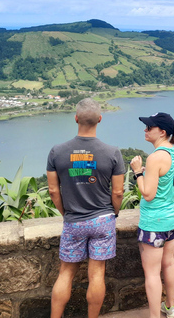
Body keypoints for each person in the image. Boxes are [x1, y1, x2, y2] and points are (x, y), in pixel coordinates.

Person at [47, 98, 125, 318]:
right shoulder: (112, 153)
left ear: (76, 119)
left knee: (65, 274)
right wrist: (114, 213)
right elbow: (118, 192)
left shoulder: (57, 152)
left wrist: (67, 214)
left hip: (74, 221)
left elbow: (53, 191)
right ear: (100, 119)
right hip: (103, 220)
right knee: (97, 274)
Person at [130, 112, 174, 318]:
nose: (145, 130)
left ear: (162, 132)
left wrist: (138, 172)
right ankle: (170, 307)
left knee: (152, 272)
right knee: (169, 263)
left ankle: (154, 316)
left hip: (154, 222)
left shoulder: (155, 157)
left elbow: (148, 194)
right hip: (172, 218)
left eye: (149, 127)